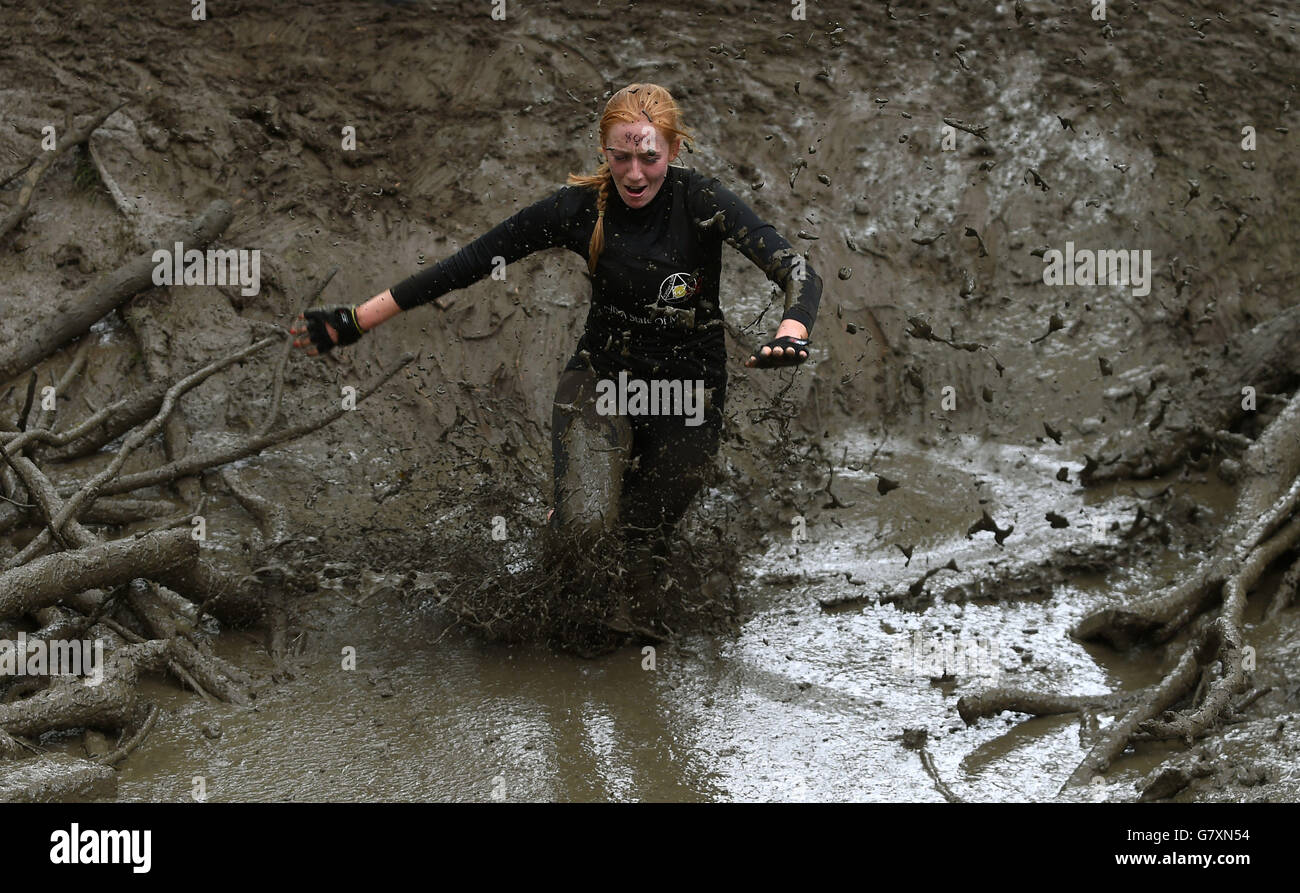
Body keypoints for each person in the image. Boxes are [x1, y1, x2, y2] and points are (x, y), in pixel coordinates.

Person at [291, 83, 821, 631]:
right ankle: (566, 545)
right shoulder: (577, 210)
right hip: (601, 382)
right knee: (587, 534)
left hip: (688, 394)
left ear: (674, 151)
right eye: (621, 157)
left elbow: (796, 269)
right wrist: (355, 320)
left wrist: (792, 329)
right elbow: (469, 262)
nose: (634, 174)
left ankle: (627, 634)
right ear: (603, 152)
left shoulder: (701, 201)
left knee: (642, 544)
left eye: (649, 158)